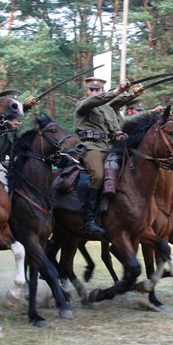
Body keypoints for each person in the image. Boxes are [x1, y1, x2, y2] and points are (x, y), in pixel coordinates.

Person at [74, 76, 132, 235]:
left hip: (108, 146)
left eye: (97, 90)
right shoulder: (83, 104)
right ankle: (89, 220)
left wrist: (117, 134)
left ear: (102, 90)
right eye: (91, 89)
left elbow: (113, 129)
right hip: (90, 146)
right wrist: (119, 90)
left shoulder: (106, 109)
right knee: (98, 176)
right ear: (87, 91)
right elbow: (95, 101)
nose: (93, 92)